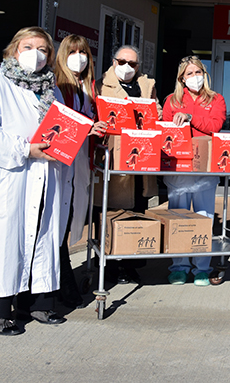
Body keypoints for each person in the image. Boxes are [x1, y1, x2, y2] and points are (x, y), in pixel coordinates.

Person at [0, 27, 66, 335]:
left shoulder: (51, 89)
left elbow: (60, 127)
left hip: (44, 176)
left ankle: (36, 304)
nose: (36, 54)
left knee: (40, 239)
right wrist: (24, 149)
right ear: (14, 50)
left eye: (43, 49)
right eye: (28, 47)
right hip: (9, 178)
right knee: (4, 244)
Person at [95, 45, 162, 283]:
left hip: (141, 159)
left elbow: (157, 111)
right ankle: (110, 265)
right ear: (114, 62)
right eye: (122, 62)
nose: (126, 67)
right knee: (112, 212)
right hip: (115, 159)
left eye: (132, 63)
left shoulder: (146, 86)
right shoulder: (100, 86)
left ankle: (131, 264)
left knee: (137, 212)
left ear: (138, 66)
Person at [161, 56, 227, 287]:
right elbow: (165, 131)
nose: (194, 77)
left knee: (204, 218)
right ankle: (179, 266)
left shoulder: (216, 99)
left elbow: (215, 125)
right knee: (177, 217)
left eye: (198, 72)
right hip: (178, 167)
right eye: (189, 73)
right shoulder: (172, 101)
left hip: (204, 168)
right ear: (181, 78)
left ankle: (202, 267)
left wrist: (190, 118)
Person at [53, 35, 108, 308]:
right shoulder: (57, 85)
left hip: (79, 166)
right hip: (59, 165)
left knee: (68, 222)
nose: (79, 57)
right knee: (57, 227)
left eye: (83, 52)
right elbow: (57, 123)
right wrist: (87, 128)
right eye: (73, 52)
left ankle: (62, 286)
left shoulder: (87, 87)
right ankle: (62, 289)